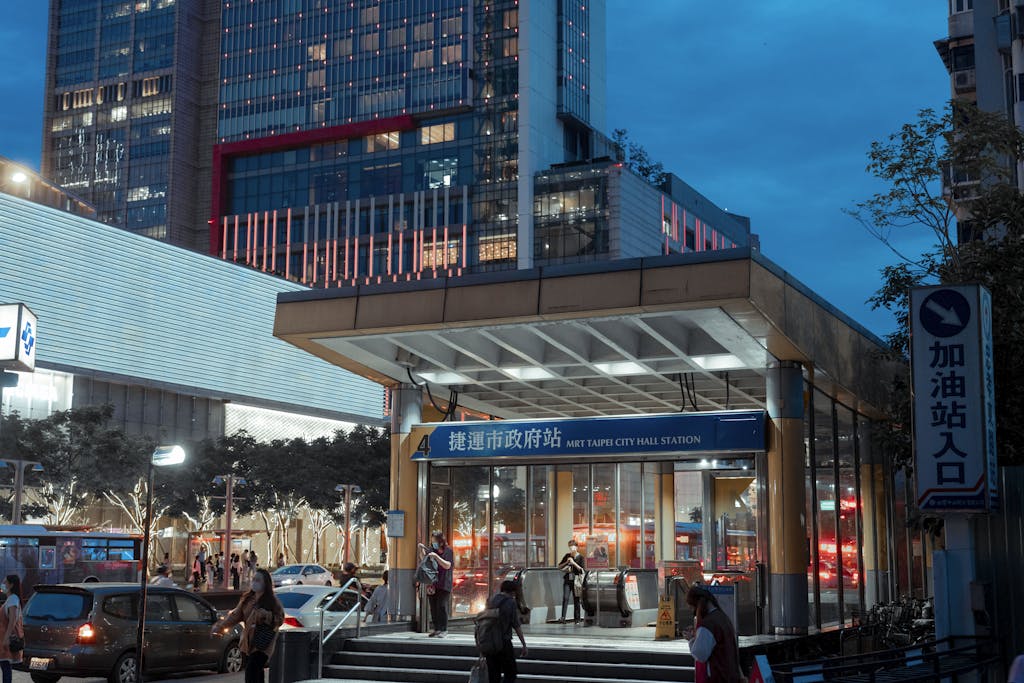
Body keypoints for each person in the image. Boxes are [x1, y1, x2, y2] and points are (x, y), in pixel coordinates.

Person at [212, 568, 284, 683]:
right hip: (249, 643)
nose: (254, 582)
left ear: (265, 583)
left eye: (258, 580)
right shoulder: (247, 599)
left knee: (252, 672)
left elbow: (279, 620)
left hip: (263, 644)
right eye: (254, 579)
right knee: (256, 673)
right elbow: (235, 615)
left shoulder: (272, 602)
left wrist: (266, 615)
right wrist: (221, 626)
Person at [684, 585, 745, 683]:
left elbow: (700, 654)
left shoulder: (708, 624)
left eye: (692, 608)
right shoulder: (722, 617)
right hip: (729, 675)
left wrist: (691, 639)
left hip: (716, 676)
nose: (693, 612)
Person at [484, 579, 527, 683]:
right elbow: (516, 625)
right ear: (513, 592)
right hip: (504, 643)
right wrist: (524, 644)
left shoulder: (491, 600)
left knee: (493, 675)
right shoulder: (510, 602)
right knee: (511, 672)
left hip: (489, 643)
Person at [418, 531, 453, 637]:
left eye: (435, 541)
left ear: (441, 541)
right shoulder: (432, 550)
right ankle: (436, 628)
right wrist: (421, 550)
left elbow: (447, 565)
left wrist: (437, 557)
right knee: (433, 606)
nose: (434, 543)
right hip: (433, 583)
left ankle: (444, 629)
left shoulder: (448, 551)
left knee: (442, 606)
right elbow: (424, 559)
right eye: (432, 541)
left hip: (444, 582)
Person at [0, 574, 24, 683]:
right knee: (5, 667)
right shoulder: (10, 599)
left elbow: (12, 621)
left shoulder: (13, 599)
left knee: (5, 667)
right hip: (3, 638)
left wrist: (6, 638)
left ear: (11, 585)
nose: (3, 584)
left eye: (5, 582)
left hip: (5, 639)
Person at [557, 539, 585, 624]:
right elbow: (559, 566)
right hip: (567, 579)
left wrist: (573, 563)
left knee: (576, 599)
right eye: (570, 547)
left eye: (573, 547)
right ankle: (563, 617)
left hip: (576, 580)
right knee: (565, 598)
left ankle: (577, 618)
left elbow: (582, 570)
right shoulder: (567, 556)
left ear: (576, 547)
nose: (571, 549)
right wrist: (567, 562)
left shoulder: (581, 557)